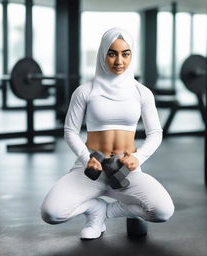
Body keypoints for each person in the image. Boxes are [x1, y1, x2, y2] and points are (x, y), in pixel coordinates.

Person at [41, 27, 174, 240]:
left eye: (125, 53)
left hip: (126, 169)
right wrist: (86, 159)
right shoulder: (85, 91)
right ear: (103, 54)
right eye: (112, 53)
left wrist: (138, 158)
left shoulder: (142, 93)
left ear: (132, 55)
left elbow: (156, 132)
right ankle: (94, 210)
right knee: (51, 213)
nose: (119, 60)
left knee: (162, 211)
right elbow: (70, 131)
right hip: (90, 167)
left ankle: (108, 212)